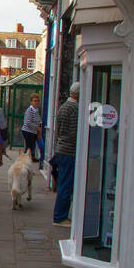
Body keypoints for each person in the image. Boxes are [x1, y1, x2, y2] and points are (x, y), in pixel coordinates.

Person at [53, 83, 80, 224]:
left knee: (63, 183)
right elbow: (74, 133)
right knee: (66, 185)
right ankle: (60, 217)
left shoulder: (63, 107)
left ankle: (60, 215)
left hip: (61, 148)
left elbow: (59, 129)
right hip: (69, 151)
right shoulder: (74, 109)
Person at [22, 93, 42, 161]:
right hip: (28, 131)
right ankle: (25, 159)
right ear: (31, 102)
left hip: (33, 131)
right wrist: (37, 127)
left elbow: (37, 120)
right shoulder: (29, 110)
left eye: (37, 101)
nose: (36, 102)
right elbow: (27, 122)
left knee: (32, 145)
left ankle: (31, 157)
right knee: (29, 146)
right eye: (35, 101)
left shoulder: (36, 110)